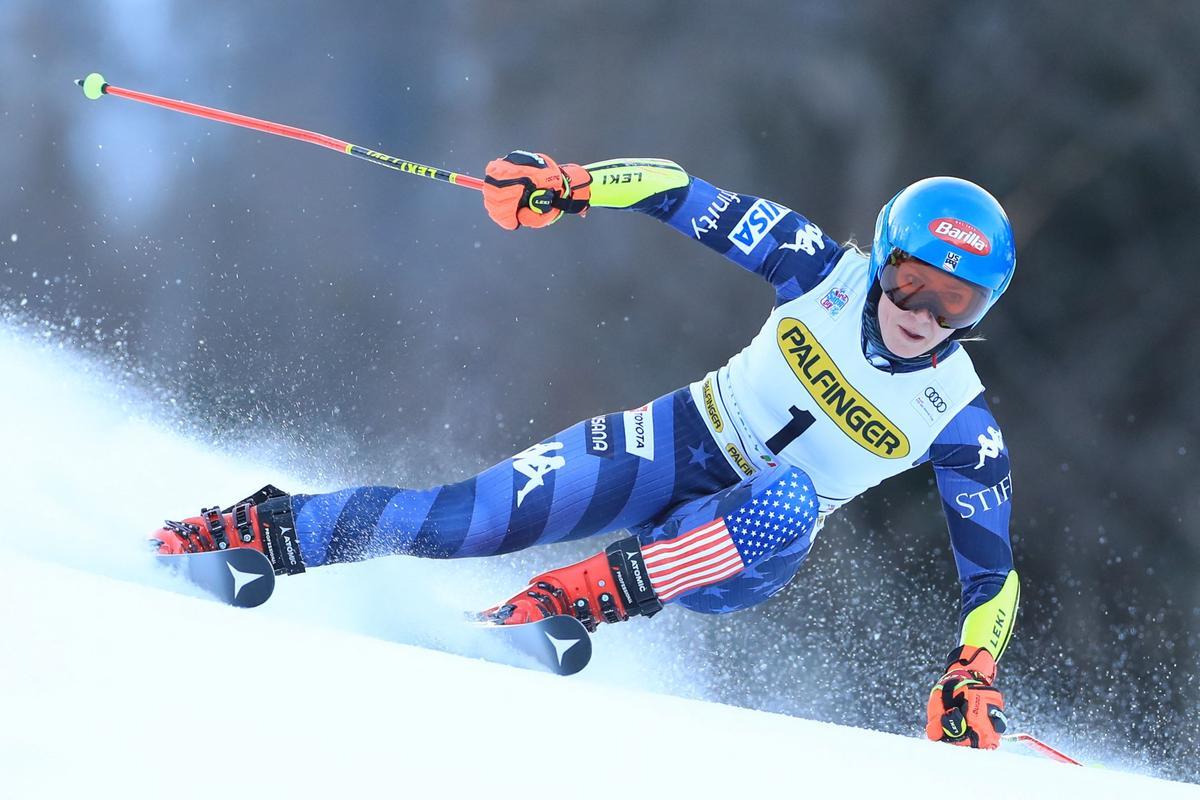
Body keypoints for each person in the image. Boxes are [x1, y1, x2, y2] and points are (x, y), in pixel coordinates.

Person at [153, 151, 1018, 750]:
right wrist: (571, 185)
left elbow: (994, 578)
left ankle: (577, 601)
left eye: (956, 305)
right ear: (881, 262)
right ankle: (259, 532)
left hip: (749, 548)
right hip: (676, 439)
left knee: (788, 496)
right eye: (911, 282)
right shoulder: (817, 267)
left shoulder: (960, 421)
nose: (924, 316)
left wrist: (972, 668)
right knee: (467, 517)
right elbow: (677, 191)